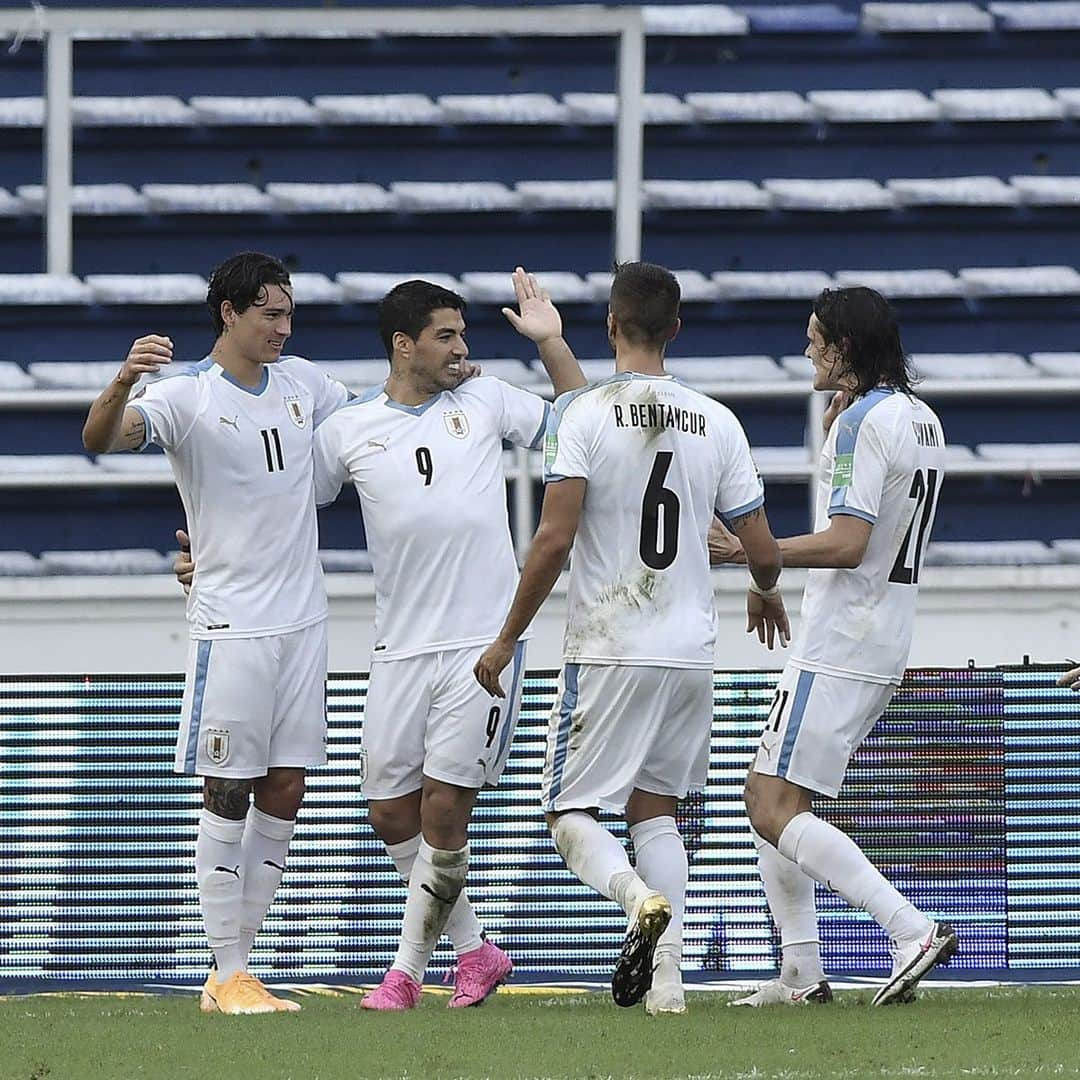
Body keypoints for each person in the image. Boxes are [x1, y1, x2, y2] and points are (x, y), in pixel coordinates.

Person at [474, 261, 789, 1015]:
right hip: (690, 651)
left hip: (612, 643)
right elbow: (765, 550)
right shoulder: (719, 421)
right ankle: (670, 986)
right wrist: (764, 587)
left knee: (568, 813)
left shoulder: (583, 415)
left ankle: (634, 896)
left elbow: (552, 541)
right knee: (655, 811)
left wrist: (506, 639)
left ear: (611, 325)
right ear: (676, 330)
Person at [82, 252, 352, 1015]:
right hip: (232, 622)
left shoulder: (304, 383)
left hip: (305, 620)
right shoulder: (187, 396)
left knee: (287, 787)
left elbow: (369, 417)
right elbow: (102, 438)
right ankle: (224, 969)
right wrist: (123, 378)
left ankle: (243, 970)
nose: (282, 327)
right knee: (226, 789)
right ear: (229, 313)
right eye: (269, 313)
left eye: (288, 313)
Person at [311, 270, 585, 1010]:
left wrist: (550, 341)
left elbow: (583, 421)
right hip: (398, 647)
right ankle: (476, 951)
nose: (463, 347)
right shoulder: (348, 430)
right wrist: (204, 555)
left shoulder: (487, 400)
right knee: (389, 810)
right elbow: (278, 506)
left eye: (464, 333)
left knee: (443, 810)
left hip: (481, 643)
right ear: (404, 346)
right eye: (446, 335)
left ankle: (403, 974)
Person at [709, 286, 957, 1008]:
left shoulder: (861, 424)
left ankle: (909, 930)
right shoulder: (920, 415)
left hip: (841, 639)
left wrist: (755, 555)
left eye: (816, 339)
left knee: (767, 801)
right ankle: (800, 971)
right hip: (883, 632)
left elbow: (849, 544)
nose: (806, 350)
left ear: (843, 348)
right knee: (773, 792)